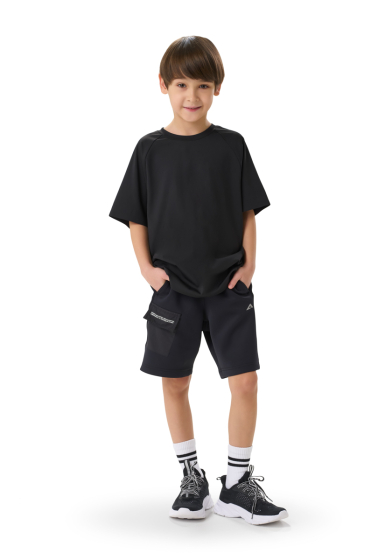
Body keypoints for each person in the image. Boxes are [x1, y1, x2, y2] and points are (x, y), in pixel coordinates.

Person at [109, 36, 288, 525]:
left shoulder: (231, 145)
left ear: (218, 88)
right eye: (182, 84)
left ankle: (237, 483)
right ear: (163, 86)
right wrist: (148, 271)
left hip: (229, 285)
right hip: (173, 290)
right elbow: (136, 217)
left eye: (203, 85)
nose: (192, 96)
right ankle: (192, 478)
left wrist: (249, 266)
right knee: (175, 381)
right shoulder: (149, 150)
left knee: (245, 381)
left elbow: (248, 210)